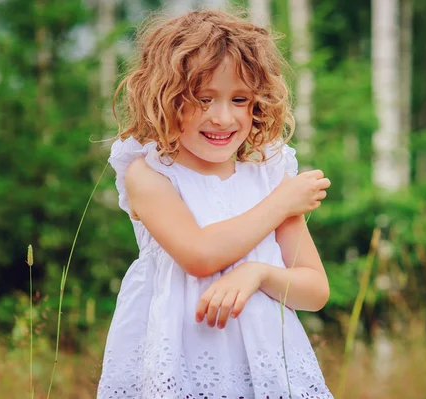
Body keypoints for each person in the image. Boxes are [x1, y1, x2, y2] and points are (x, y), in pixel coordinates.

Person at [98, 8, 333, 399]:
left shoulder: (268, 176)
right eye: (203, 99)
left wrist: (258, 273)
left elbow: (314, 290)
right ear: (167, 98)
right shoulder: (151, 174)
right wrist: (281, 204)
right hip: (183, 365)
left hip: (267, 370)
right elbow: (200, 255)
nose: (223, 118)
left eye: (239, 99)